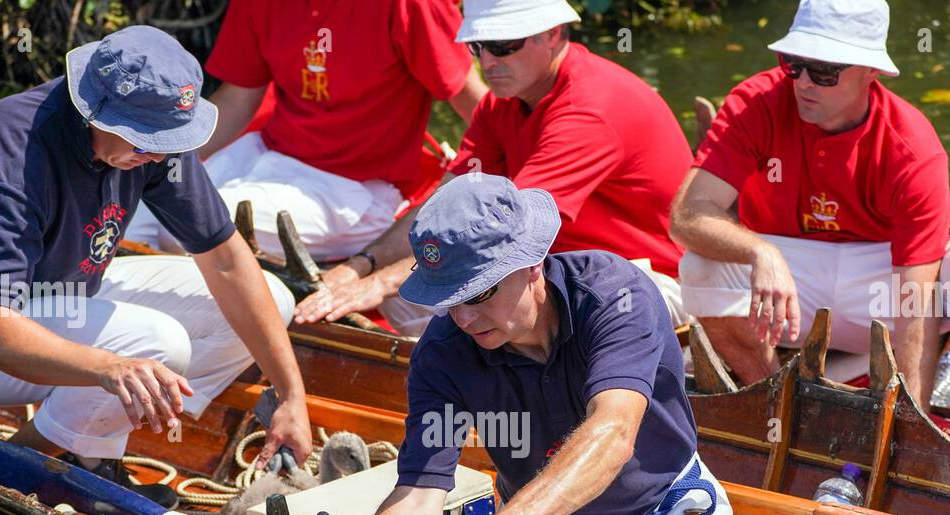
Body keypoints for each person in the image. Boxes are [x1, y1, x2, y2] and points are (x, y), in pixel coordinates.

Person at [361, 175, 783, 515]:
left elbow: (613, 432)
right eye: (450, 299)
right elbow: (420, 492)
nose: (466, 317)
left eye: (480, 292)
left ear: (533, 262)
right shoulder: (442, 354)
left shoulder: (615, 295)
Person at [0, 26, 312, 507]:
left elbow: (224, 259)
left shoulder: (151, 144)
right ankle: (40, 460)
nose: (157, 155)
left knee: (274, 297)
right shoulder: (11, 153)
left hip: (69, 298)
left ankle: (76, 450)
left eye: (167, 141)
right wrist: (110, 367)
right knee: (158, 345)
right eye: (144, 142)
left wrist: (290, 396)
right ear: (92, 111)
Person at [669, 0, 950, 457]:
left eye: (824, 71)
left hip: (880, 285)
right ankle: (777, 412)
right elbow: (686, 215)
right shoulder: (756, 102)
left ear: (870, 72)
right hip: (790, 286)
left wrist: (908, 435)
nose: (801, 83)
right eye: (794, 64)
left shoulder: (913, 147)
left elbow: (912, 305)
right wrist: (763, 254)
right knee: (700, 261)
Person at [294, 0, 694, 337]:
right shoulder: (501, 102)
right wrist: (360, 267)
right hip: (555, 261)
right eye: (478, 46)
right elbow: (444, 204)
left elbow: (505, 233)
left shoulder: (586, 112)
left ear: (553, 34)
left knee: (432, 294)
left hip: (646, 279)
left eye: (503, 45)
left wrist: (378, 283)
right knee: (407, 301)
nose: (487, 62)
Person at [124, 0, 484, 262]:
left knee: (183, 226)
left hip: (355, 191)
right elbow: (237, 100)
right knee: (130, 202)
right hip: (266, 155)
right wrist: (155, 153)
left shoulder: (411, 4)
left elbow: (482, 111)